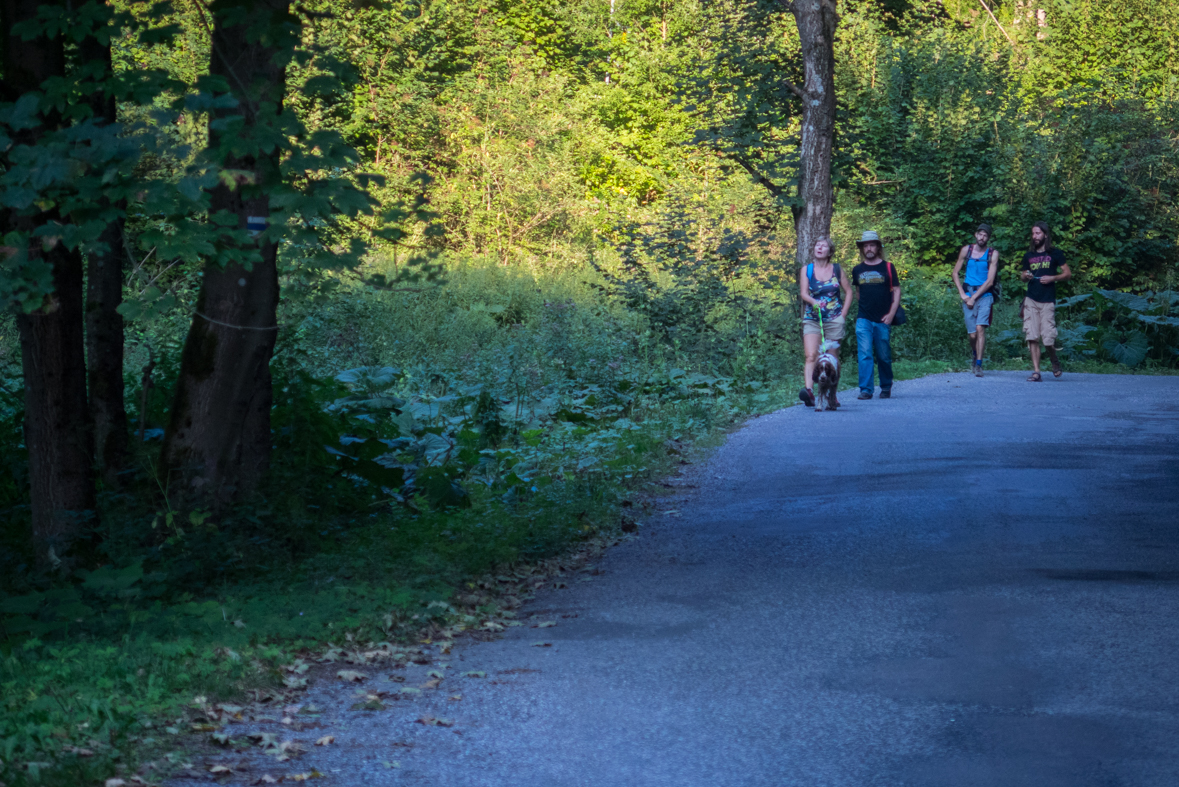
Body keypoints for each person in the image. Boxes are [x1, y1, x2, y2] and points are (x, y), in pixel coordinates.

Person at [798, 237, 853, 408]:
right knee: (811, 355)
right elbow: (804, 293)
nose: (819, 248)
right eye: (817, 245)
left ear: (830, 252)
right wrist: (814, 302)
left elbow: (849, 292)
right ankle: (809, 391)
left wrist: (842, 315)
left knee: (832, 359)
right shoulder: (807, 270)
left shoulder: (837, 269)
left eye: (824, 246)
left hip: (834, 318)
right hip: (813, 318)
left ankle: (832, 394)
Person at [1020, 221, 1071, 381]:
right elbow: (1022, 276)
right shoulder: (1028, 256)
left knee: (1048, 337)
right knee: (1032, 336)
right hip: (1031, 299)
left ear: (1045, 235)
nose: (1034, 236)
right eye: (1033, 234)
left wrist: (1053, 278)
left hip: (1048, 300)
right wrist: (1026, 275)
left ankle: (1053, 358)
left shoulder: (1055, 254)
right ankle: (1037, 371)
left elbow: (1067, 274)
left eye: (1038, 233)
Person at [852, 230, 900, 400]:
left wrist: (891, 314)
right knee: (864, 353)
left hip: (883, 318)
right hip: (863, 317)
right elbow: (858, 293)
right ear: (862, 249)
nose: (869, 248)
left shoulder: (888, 267)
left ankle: (886, 386)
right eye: (866, 246)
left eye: (872, 245)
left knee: (883, 355)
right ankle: (866, 389)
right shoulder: (857, 270)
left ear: (878, 247)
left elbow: (896, 291)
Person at [951, 223, 999, 377]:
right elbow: (955, 273)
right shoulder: (967, 250)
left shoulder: (993, 254)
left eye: (985, 235)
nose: (982, 237)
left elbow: (990, 281)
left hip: (985, 294)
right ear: (975, 235)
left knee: (980, 329)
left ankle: (979, 363)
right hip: (968, 292)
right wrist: (963, 295)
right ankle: (974, 352)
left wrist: (975, 297)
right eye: (980, 234)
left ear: (988, 238)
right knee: (972, 334)